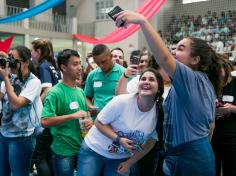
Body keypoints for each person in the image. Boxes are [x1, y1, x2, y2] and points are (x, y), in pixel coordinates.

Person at [115, 11, 226, 175]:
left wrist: (143, 22)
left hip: (191, 157)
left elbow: (164, 59)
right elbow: (210, 127)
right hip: (186, 154)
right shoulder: (193, 83)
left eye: (180, 49)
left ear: (195, 60)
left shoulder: (192, 78)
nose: (173, 52)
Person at [77, 68, 164, 176]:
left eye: (151, 80)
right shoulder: (122, 101)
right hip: (94, 149)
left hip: (120, 158)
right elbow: (99, 122)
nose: (146, 81)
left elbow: (151, 140)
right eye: (143, 79)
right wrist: (118, 139)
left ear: (159, 88)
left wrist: (129, 163)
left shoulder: (158, 112)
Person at [41, 49, 92, 176]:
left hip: (82, 148)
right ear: (63, 67)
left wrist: (90, 121)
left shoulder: (80, 91)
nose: (80, 67)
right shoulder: (55, 92)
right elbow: (45, 121)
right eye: (75, 64)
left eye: (80, 63)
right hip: (63, 152)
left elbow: (84, 115)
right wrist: (72, 116)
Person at [0, 46, 42, 176]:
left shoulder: (34, 82)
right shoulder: (10, 78)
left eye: (13, 59)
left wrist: (5, 78)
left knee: (19, 173)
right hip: (4, 134)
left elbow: (16, 104)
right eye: (9, 57)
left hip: (22, 137)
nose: (10, 61)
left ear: (25, 62)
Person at [31, 38, 62, 176]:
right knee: (48, 154)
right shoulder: (52, 65)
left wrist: (36, 102)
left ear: (38, 51)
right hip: (55, 112)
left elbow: (48, 90)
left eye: (32, 50)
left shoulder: (43, 66)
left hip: (47, 114)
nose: (31, 53)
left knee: (39, 156)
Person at [84, 44, 125, 119]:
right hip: (97, 120)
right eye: (97, 63)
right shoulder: (92, 75)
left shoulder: (124, 73)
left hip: (117, 120)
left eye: (103, 62)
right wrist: (90, 106)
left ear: (111, 57)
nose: (101, 66)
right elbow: (87, 96)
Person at [211, 59, 236, 176]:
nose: (215, 71)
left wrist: (231, 108)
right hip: (212, 137)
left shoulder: (234, 83)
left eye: (218, 68)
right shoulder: (209, 85)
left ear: (225, 68)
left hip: (232, 138)